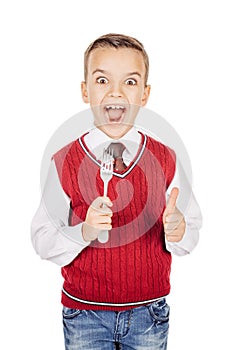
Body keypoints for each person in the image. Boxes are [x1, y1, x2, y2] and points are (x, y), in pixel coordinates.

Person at [31, 33, 202, 350]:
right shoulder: (65, 161)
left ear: (145, 94)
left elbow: (191, 229)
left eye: (130, 82)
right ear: (85, 90)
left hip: (148, 313)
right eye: (101, 80)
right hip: (84, 313)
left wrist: (178, 230)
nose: (115, 92)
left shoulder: (166, 159)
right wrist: (84, 230)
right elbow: (42, 238)